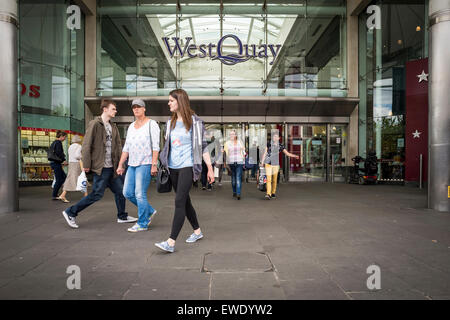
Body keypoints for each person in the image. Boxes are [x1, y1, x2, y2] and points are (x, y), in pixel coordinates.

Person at [61, 99, 137, 228]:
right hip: (101, 168)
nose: (115, 111)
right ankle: (71, 212)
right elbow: (86, 145)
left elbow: (118, 147)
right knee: (96, 194)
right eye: (113, 109)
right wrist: (86, 164)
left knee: (120, 192)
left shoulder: (113, 126)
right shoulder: (95, 124)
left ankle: (122, 216)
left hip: (111, 167)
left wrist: (120, 165)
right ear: (105, 109)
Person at [155, 89, 214, 253]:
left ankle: (171, 242)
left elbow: (203, 147)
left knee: (179, 201)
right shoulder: (170, 122)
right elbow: (168, 146)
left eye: (171, 101)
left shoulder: (195, 122)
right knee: (185, 202)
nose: (168, 103)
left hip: (188, 166)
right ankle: (197, 231)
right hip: (172, 168)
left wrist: (209, 168)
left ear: (180, 101)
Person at [117, 99, 160, 232]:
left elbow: (155, 146)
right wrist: (120, 164)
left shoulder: (151, 124)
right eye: (134, 107)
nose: (136, 109)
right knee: (127, 193)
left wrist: (154, 164)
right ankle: (149, 210)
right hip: (132, 163)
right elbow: (127, 147)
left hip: (145, 163)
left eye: (139, 107)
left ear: (144, 109)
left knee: (140, 194)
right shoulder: (131, 126)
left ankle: (142, 223)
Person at [260, 132, 299, 200]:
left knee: (274, 180)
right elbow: (265, 153)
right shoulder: (269, 144)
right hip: (268, 163)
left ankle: (273, 193)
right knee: (268, 180)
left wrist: (295, 156)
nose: (274, 138)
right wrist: (262, 162)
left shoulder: (281, 146)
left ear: (279, 138)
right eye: (274, 136)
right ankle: (268, 194)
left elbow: (287, 153)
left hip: (275, 165)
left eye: (276, 137)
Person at [59, 135, 88, 203]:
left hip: (71, 163)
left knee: (72, 178)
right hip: (77, 164)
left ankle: (86, 195)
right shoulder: (79, 146)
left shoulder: (70, 146)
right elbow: (77, 155)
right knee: (82, 178)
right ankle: (85, 195)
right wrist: (82, 156)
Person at [224, 130, 245, 200]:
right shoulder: (227, 143)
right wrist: (225, 162)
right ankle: (234, 192)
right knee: (233, 178)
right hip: (231, 162)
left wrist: (243, 154)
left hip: (239, 161)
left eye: (233, 134)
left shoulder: (240, 142)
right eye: (230, 134)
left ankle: (238, 193)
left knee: (238, 177)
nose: (231, 135)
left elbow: (244, 151)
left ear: (235, 135)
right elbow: (225, 153)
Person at [50, 130, 68, 200]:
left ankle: (56, 193)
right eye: (64, 137)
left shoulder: (54, 142)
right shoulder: (58, 143)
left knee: (63, 177)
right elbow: (59, 153)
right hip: (56, 163)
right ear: (61, 136)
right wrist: (63, 160)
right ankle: (54, 195)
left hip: (54, 163)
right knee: (59, 179)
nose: (65, 139)